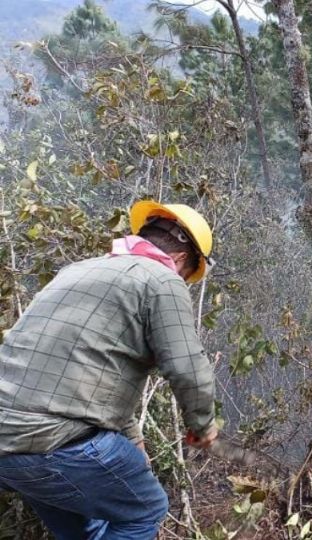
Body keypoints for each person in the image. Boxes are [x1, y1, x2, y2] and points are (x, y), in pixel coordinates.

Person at [0, 200, 218, 539]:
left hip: (8, 444)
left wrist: (136, 443)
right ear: (180, 260)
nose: (183, 281)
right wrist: (203, 426)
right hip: (54, 442)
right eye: (187, 276)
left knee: (88, 530)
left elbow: (95, 375)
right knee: (144, 510)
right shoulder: (162, 279)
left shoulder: (76, 270)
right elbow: (188, 368)